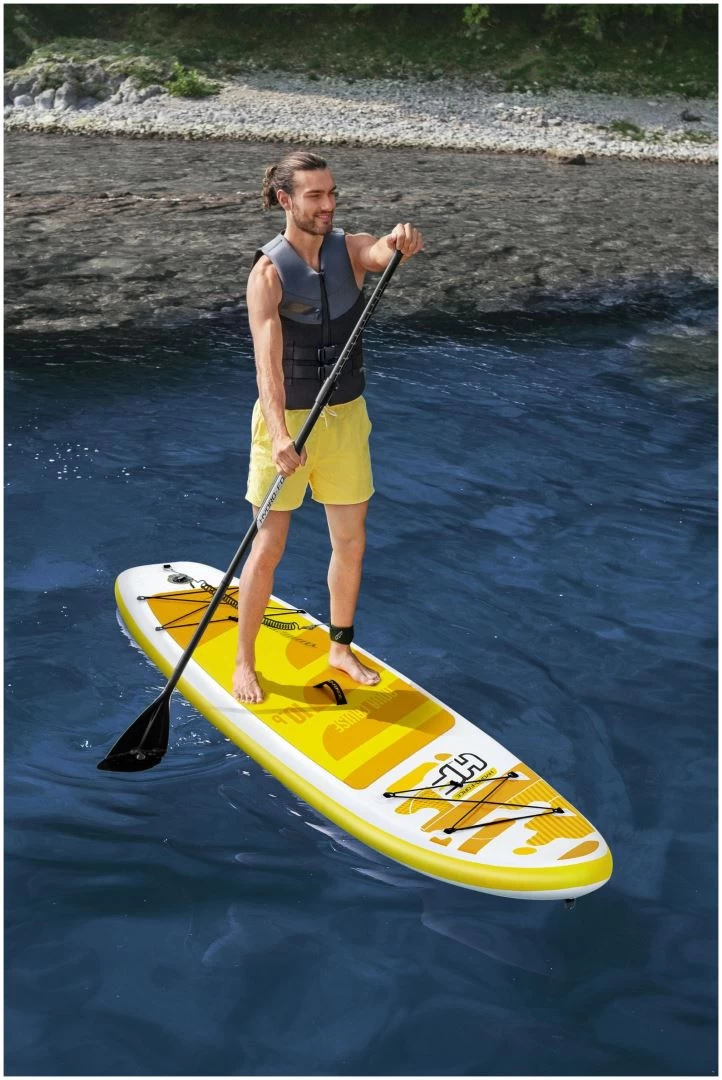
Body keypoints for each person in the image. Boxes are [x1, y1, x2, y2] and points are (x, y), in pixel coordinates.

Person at [232, 150, 424, 704]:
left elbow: (380, 251)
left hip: (345, 419)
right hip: (287, 424)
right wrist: (280, 436)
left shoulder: (350, 249)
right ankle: (245, 661)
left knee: (351, 541)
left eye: (332, 193)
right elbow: (267, 367)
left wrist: (400, 241)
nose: (327, 204)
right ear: (285, 200)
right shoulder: (268, 274)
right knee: (268, 546)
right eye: (315, 195)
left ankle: (340, 647)